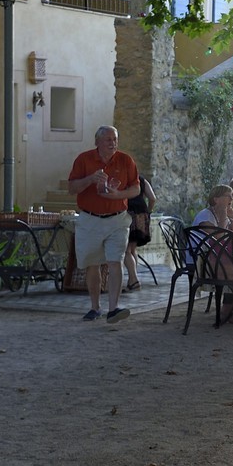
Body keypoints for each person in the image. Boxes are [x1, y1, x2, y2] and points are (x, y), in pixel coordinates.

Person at [67, 125, 141, 324]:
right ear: (97, 142)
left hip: (117, 219)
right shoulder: (84, 159)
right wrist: (90, 179)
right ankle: (95, 307)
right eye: (108, 139)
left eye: (115, 139)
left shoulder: (126, 160)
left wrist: (119, 195)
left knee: (115, 260)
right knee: (92, 264)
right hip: (90, 219)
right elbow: (71, 188)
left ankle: (113, 308)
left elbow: (135, 189)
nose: (112, 143)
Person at [123, 175, 156, 292]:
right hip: (141, 215)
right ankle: (131, 280)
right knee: (132, 250)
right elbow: (152, 198)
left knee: (126, 250)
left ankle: (134, 280)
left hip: (128, 214)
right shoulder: (141, 180)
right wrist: (148, 211)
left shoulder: (121, 179)